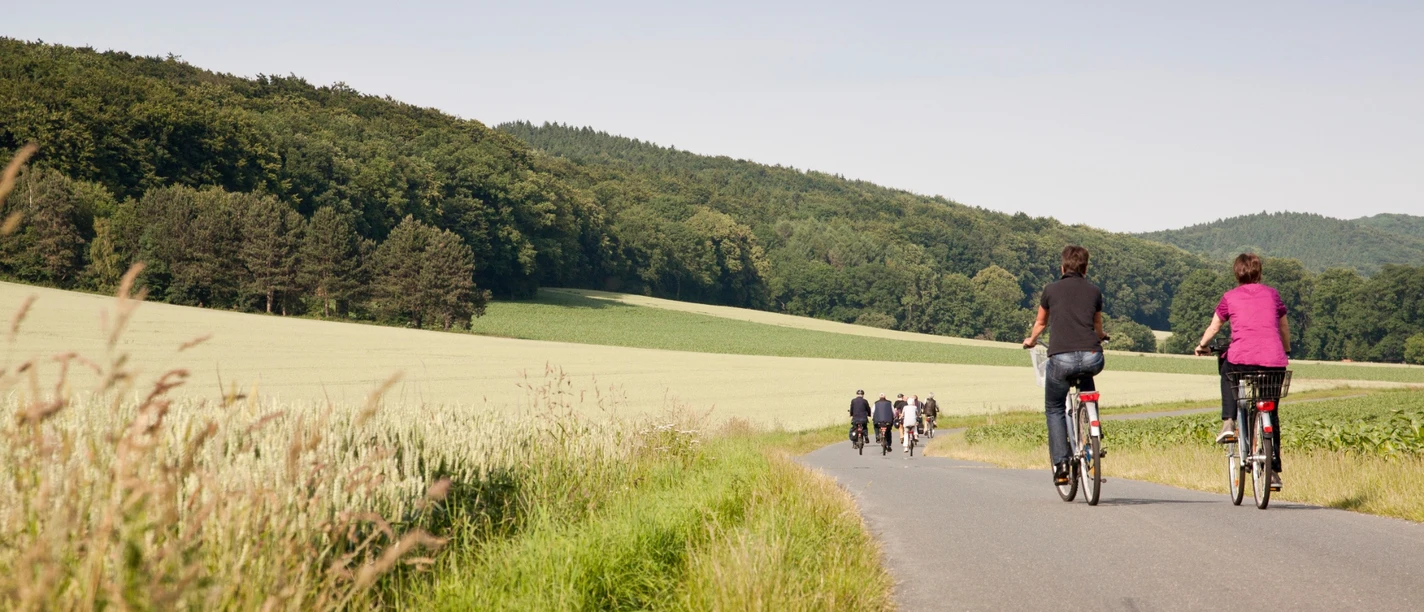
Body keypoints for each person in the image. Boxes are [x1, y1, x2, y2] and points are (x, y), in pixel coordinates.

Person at [1193, 252, 1290, 490]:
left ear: (1237, 273)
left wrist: (1202, 345)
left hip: (1242, 360)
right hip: (1273, 362)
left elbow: (1214, 326)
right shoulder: (1272, 294)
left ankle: (1228, 422)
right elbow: (1284, 327)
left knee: (1227, 369)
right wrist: (1285, 350)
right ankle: (1274, 471)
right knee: (1272, 413)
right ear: (1259, 273)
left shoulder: (1229, 297)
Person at [1023, 245, 1109, 485]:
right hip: (1093, 356)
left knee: (1054, 408)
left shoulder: (1050, 290)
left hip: (1061, 359)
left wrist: (1031, 341)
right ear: (1086, 268)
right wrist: (1101, 336)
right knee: (1087, 385)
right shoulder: (1094, 291)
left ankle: (1061, 464)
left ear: (1062, 267)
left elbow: (1041, 323)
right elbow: (1097, 324)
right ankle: (1094, 436)